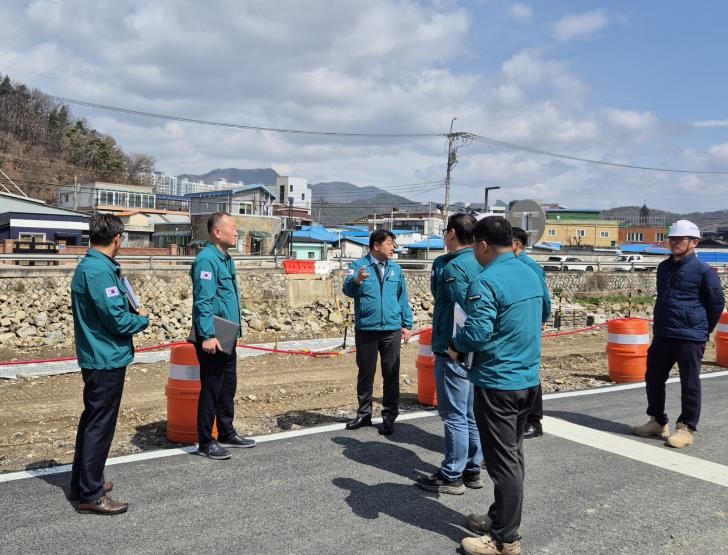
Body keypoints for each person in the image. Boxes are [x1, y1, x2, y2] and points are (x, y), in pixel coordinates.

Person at [450, 216, 549, 555]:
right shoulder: (531, 271)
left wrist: (456, 344)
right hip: (528, 378)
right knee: (512, 455)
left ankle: (505, 539)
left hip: (498, 382)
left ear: (482, 245)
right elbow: (544, 312)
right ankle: (499, 518)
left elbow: (477, 332)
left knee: (502, 462)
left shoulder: (487, 280)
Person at [69, 213, 149, 515]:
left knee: (93, 420)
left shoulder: (93, 266)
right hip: (104, 357)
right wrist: (142, 321)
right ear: (117, 239)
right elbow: (116, 319)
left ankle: (83, 483)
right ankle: (91, 494)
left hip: (99, 355)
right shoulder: (99, 271)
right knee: (100, 425)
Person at [632, 219, 724, 449]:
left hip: (691, 336)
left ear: (694, 242)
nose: (674, 243)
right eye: (671, 239)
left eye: (679, 239)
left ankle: (686, 427)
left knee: (689, 383)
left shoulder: (704, 271)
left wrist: (703, 329)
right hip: (664, 332)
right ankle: (657, 421)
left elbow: (716, 304)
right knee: (653, 377)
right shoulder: (663, 268)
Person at [416, 213, 484, 494]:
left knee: (454, 414)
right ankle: (472, 469)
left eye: (445, 230)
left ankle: (452, 474)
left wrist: (456, 345)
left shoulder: (453, 266)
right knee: (470, 412)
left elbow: (464, 307)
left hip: (453, 348)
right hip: (475, 348)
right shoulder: (482, 261)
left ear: (452, 233)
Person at [191, 212, 255, 460]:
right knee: (212, 388)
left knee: (228, 386)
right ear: (217, 232)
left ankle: (227, 431)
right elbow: (203, 301)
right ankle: (206, 441)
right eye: (233, 228)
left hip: (227, 332)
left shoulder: (226, 259)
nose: (237, 232)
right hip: (214, 334)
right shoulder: (207, 260)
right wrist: (207, 334)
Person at [342, 229, 414, 435]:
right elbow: (347, 290)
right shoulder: (358, 266)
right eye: (390, 243)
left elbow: (402, 297)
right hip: (367, 329)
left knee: (391, 373)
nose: (393, 248)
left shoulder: (395, 269)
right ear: (376, 245)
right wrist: (357, 280)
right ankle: (364, 414)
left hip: (391, 329)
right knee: (366, 373)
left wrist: (407, 324)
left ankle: (389, 416)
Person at [511, 226, 551, 440]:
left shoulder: (530, 267)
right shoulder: (513, 265)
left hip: (528, 326)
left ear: (516, 244)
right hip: (519, 325)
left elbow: (544, 299)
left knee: (529, 371)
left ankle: (534, 421)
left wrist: (540, 320)